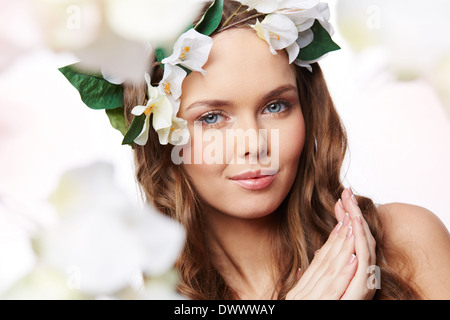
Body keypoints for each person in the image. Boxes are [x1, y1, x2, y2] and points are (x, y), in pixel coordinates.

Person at [68, 0, 450, 299]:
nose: (254, 144)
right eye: (213, 117)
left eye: (275, 106)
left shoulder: (407, 241)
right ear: (161, 136)